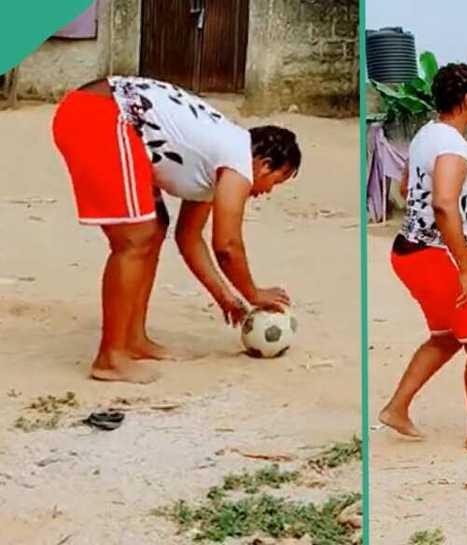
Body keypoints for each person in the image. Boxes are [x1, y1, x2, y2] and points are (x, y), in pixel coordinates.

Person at [52, 76, 299, 384]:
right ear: (264, 165)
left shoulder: (219, 163)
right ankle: (110, 357)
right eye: (276, 181)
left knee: (154, 229)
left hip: (110, 116)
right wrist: (253, 293)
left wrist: (227, 297)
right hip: (99, 113)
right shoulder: (238, 162)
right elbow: (227, 246)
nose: (268, 191)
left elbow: (189, 238)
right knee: (135, 239)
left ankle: (133, 340)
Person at [378, 63, 467, 453]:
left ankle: (396, 408)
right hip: (438, 256)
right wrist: (464, 264)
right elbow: (442, 201)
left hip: (409, 252)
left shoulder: (427, 135)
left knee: (449, 336)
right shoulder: (452, 144)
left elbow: (406, 187)